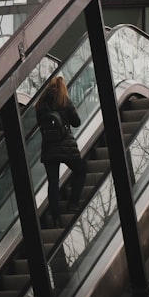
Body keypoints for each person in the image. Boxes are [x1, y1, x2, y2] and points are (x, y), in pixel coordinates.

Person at [36, 75, 85, 228]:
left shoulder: (40, 105)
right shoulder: (65, 101)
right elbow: (76, 122)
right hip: (67, 146)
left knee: (53, 183)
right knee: (81, 171)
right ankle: (73, 203)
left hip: (49, 148)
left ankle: (56, 217)